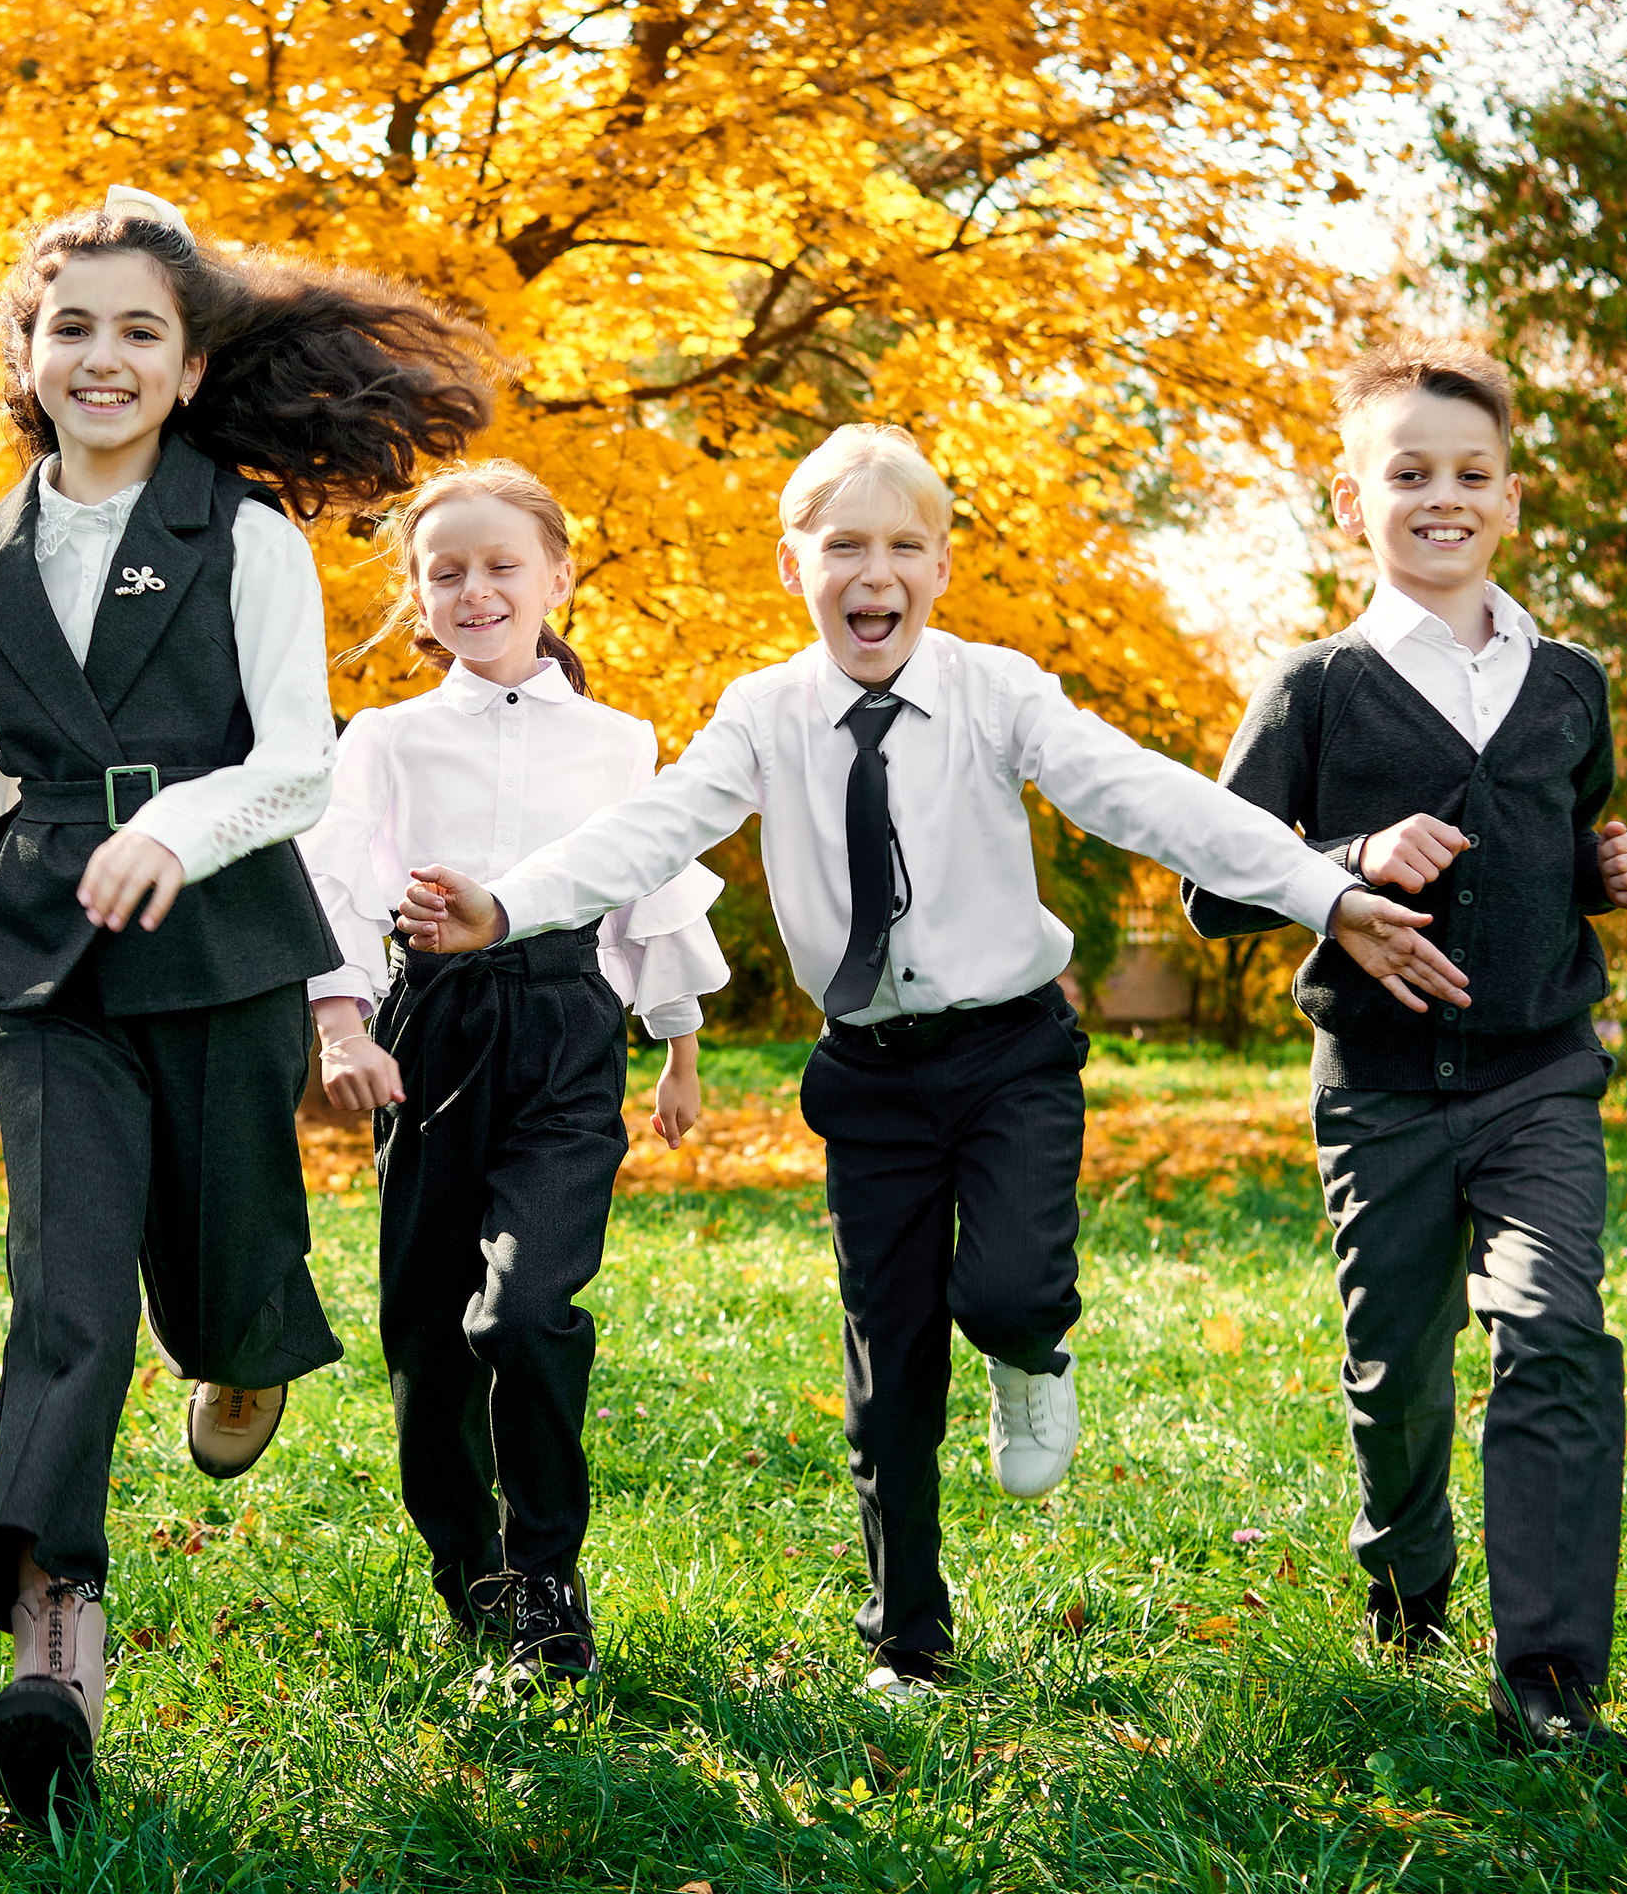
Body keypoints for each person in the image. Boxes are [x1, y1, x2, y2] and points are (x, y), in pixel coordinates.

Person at [398, 423, 1467, 1700]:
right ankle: (908, 1635)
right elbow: (643, 832)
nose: (874, 571)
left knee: (1007, 1292)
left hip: (1009, 1051)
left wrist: (1319, 886)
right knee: (885, 1360)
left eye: (903, 545)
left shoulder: (993, 689)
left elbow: (1147, 796)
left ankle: (1031, 1351)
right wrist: (507, 908)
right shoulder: (763, 711)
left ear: (941, 567)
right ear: (793, 562)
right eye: (844, 545)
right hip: (868, 1074)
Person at [0, 186, 495, 1822]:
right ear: (27, 353)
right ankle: (54, 1639)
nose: (101, 357)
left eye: (139, 333)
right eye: (71, 325)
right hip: (48, 958)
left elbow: (299, 760)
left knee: (231, 1293)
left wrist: (172, 826)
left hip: (226, 942)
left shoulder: (246, 537)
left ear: (188, 371)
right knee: (69, 1293)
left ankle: (243, 1356)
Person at [1181, 335, 1627, 1761]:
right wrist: (1351, 860)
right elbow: (1216, 885)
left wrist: (1602, 867)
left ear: (1511, 500)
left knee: (1552, 1332)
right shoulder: (1315, 688)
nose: (1440, 497)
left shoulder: (1570, 678)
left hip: (1538, 1078)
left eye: (1470, 474)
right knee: (1397, 1371)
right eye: (1408, 474)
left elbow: (1547, 843)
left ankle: (1554, 1674)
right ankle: (1406, 1574)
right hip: (1380, 1096)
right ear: (1351, 503)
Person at [302, 461, 727, 1685]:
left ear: (558, 577)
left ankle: (546, 1573)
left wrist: (678, 1039)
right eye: (448, 573)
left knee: (523, 1310)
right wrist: (344, 1026)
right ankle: (470, 1572)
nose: (476, 589)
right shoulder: (384, 738)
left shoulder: (619, 740)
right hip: (429, 1034)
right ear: (419, 599)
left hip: (563, 1029)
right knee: (432, 1336)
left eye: (502, 566)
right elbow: (332, 883)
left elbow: (648, 885)